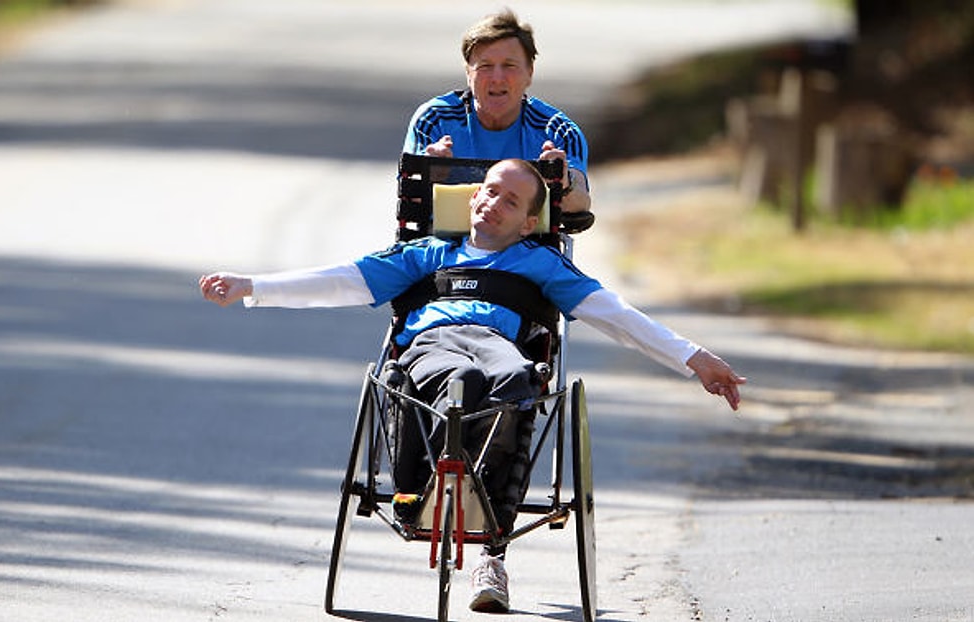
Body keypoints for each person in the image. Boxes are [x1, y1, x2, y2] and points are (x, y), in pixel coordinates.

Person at [199, 159, 745, 614]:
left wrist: (693, 358)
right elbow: (344, 278)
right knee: (459, 378)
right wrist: (252, 286)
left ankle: (481, 496)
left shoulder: (539, 263)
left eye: (511, 200)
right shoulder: (428, 253)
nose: (492, 204)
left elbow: (616, 315)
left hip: (498, 347)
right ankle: (428, 488)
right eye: (488, 192)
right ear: (471, 199)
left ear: (530, 222)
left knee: (512, 377)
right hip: (431, 347)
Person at [403, 8, 592, 214]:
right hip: (445, 244)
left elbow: (581, 203)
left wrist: (562, 183)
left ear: (529, 72)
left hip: (526, 243)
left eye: (509, 65)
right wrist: (429, 173)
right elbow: (409, 200)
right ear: (468, 73)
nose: (497, 78)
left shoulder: (557, 131)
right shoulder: (435, 120)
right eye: (485, 66)